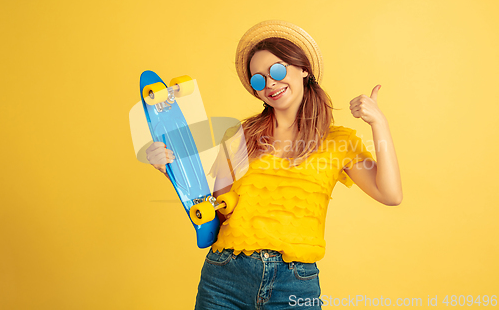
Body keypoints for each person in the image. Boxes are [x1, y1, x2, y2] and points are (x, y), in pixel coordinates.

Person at [146, 20, 403, 309]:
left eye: (277, 70)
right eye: (258, 80)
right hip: (225, 278)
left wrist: (379, 122)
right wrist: (173, 172)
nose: (269, 84)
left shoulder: (338, 142)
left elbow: (390, 195)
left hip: (294, 284)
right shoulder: (240, 136)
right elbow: (216, 213)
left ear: (303, 69)